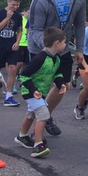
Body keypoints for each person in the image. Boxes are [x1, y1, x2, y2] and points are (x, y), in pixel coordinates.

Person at [28, 0, 87, 136]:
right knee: (39, 89)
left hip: (63, 48)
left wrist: (80, 49)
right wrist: (48, 49)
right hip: (40, 49)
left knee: (63, 85)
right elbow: (35, 30)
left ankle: (45, 116)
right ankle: (31, 131)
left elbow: (80, 24)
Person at [14, 27, 67, 158]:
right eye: (64, 42)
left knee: (31, 114)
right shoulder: (40, 58)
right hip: (31, 92)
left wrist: (61, 84)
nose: (66, 45)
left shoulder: (56, 58)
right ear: (57, 43)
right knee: (43, 114)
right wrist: (33, 90)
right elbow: (24, 74)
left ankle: (22, 136)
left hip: (40, 92)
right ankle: (38, 145)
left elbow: (57, 73)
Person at [14, 7, 31, 91]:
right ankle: (14, 80)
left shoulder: (32, 19)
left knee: (26, 64)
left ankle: (23, 80)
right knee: (19, 63)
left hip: (28, 45)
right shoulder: (21, 19)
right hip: (20, 43)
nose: (29, 13)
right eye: (28, 12)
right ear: (24, 12)